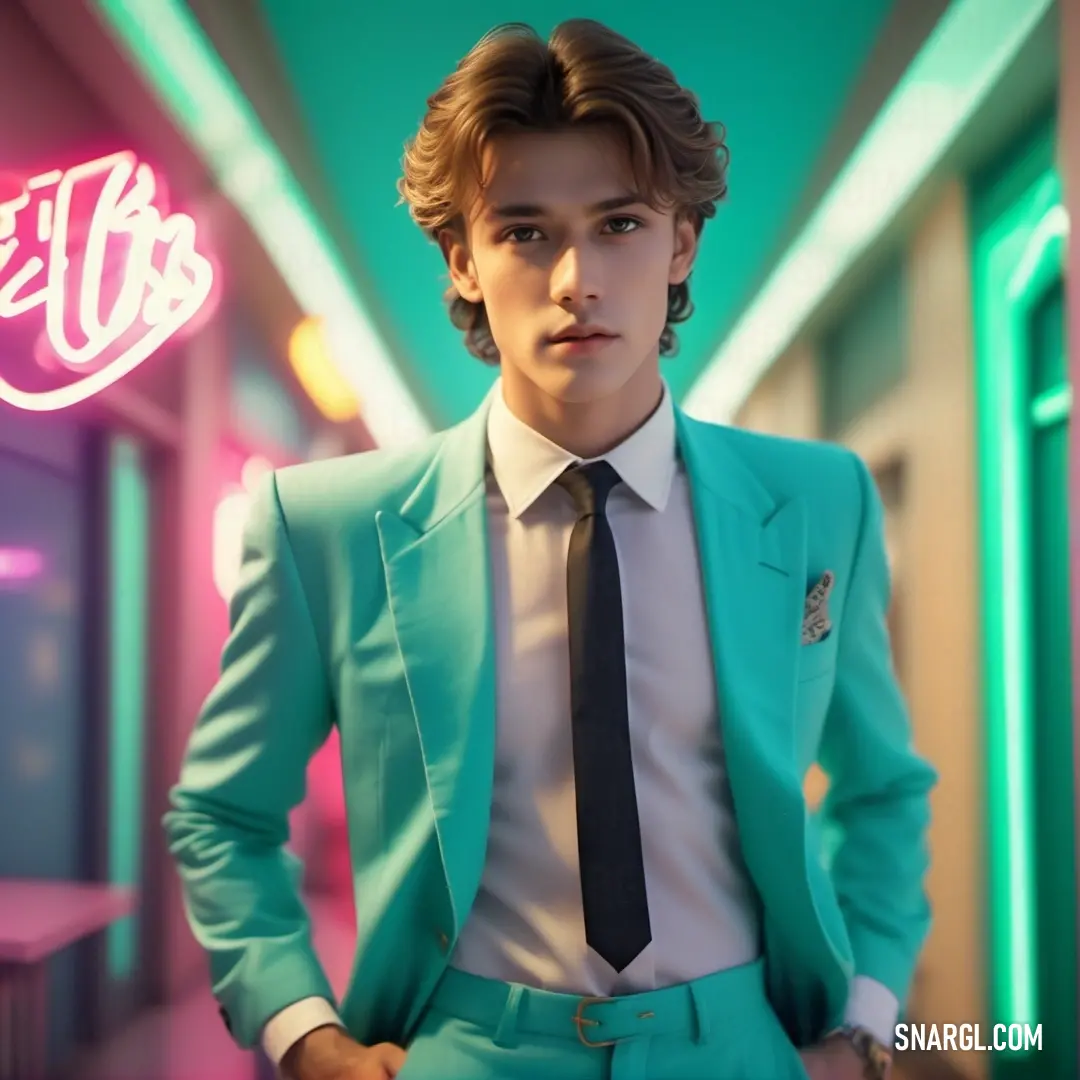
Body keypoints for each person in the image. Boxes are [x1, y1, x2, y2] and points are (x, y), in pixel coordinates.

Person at [165, 18, 936, 1080]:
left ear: (681, 246)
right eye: (525, 231)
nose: (577, 277)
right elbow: (225, 811)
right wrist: (304, 1032)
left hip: (744, 1047)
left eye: (619, 223)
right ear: (463, 260)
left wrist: (865, 1025)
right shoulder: (326, 525)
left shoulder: (815, 502)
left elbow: (880, 788)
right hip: (465, 1048)